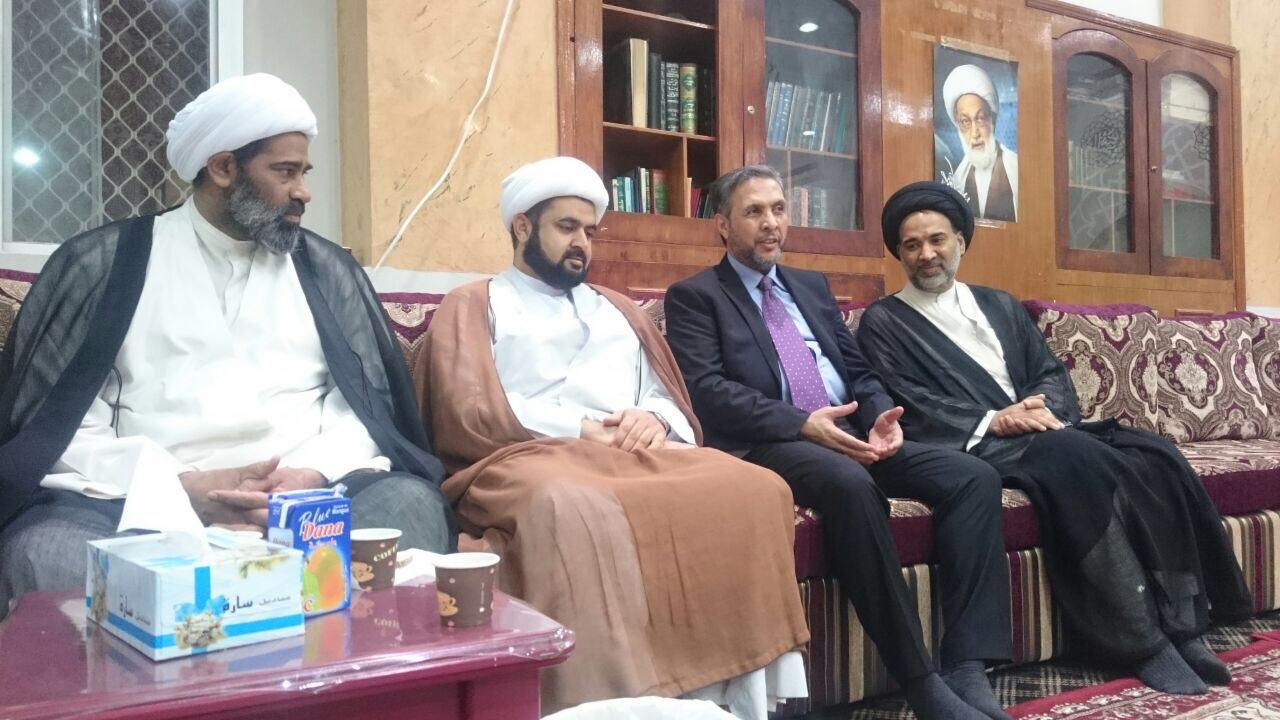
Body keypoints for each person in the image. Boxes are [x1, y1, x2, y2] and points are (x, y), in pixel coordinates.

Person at [0, 73, 454, 620]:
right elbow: (54, 423)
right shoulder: (105, 263)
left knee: (409, 506)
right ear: (222, 168)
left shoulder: (325, 270)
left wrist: (307, 477)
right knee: (47, 551)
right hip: (140, 503)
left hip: (306, 501)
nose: (303, 192)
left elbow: (364, 409)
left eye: (303, 173)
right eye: (285, 172)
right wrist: (178, 487)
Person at [416, 156, 810, 717]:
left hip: (635, 451)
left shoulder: (617, 308)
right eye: (566, 227)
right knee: (565, 506)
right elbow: (469, 406)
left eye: (590, 231)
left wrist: (654, 419)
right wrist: (579, 429)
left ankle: (723, 694)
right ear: (522, 226)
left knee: (757, 487)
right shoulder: (476, 302)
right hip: (527, 454)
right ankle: (606, 700)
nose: (582, 243)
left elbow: (664, 393)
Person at [858, 180, 1253, 694]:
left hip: (1038, 430)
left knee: (1155, 454)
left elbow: (1049, 372)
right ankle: (1141, 641)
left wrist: (1038, 408)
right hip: (977, 444)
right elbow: (907, 400)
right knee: (1075, 456)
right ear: (899, 253)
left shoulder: (999, 304)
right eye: (912, 245)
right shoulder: (884, 321)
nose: (926, 254)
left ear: (961, 242)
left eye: (937, 240)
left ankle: (1184, 625)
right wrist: (996, 420)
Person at [664, 165, 1013, 720]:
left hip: (849, 433)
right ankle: (920, 681)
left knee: (973, 477)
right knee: (850, 485)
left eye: (779, 209)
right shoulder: (695, 297)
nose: (771, 223)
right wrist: (802, 423)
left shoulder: (809, 285)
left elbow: (859, 370)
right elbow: (708, 391)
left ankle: (968, 664)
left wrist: (880, 419)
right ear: (723, 226)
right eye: (754, 212)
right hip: (771, 442)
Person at [941, 64, 1018, 221]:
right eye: (965, 122)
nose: (975, 133)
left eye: (981, 118)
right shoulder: (957, 180)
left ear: (993, 120)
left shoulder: (1016, 168)